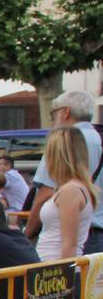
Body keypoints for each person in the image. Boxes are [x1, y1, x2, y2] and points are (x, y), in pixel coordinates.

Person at [27, 91, 103, 245]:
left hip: (64, 236)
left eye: (53, 113)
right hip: (97, 232)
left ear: (65, 112)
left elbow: (46, 192)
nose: (52, 119)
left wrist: (28, 232)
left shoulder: (63, 141)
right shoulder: (98, 137)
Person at [33, 125, 97, 261]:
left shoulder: (70, 190)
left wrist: (65, 279)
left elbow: (69, 244)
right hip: (50, 268)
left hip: (55, 273)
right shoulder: (72, 187)